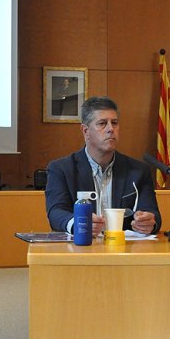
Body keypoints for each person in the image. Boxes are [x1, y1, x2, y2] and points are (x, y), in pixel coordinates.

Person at [45, 96, 161, 236]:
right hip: (79, 250)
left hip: (124, 251)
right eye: (102, 123)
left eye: (115, 123)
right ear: (85, 131)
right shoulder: (61, 169)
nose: (111, 129)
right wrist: (77, 223)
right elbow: (56, 212)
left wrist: (148, 223)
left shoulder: (138, 171)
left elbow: (152, 213)